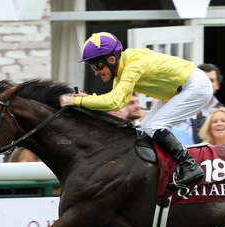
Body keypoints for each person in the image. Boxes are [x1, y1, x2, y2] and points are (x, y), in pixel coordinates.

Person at [59, 32, 213, 189]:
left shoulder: (133, 64)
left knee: (153, 127)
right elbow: (116, 102)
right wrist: (82, 101)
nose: (96, 72)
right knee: (143, 130)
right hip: (178, 91)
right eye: (91, 66)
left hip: (196, 87)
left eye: (97, 65)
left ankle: (190, 166)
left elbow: (114, 101)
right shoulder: (120, 72)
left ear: (112, 60)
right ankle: (164, 170)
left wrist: (78, 101)